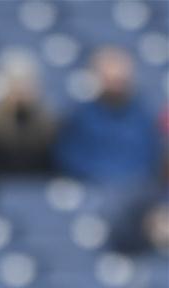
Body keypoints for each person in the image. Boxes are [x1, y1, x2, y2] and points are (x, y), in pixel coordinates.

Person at [54, 46, 161, 184]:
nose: (116, 84)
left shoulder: (143, 116)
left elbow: (151, 157)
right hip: (90, 186)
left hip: (136, 189)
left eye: (120, 80)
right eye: (111, 79)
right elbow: (69, 156)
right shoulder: (79, 116)